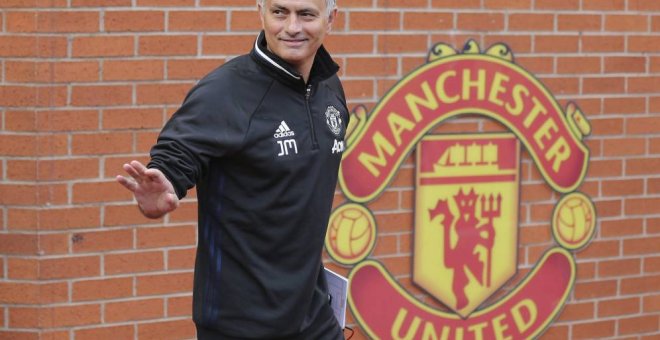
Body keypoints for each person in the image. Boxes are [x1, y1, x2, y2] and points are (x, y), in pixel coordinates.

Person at [116, 0, 348, 338]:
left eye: (307, 14)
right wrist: (164, 182)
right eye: (280, 12)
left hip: (313, 315)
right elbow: (178, 153)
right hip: (239, 323)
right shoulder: (225, 91)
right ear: (261, 12)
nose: (292, 27)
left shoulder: (328, 89)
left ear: (331, 18)